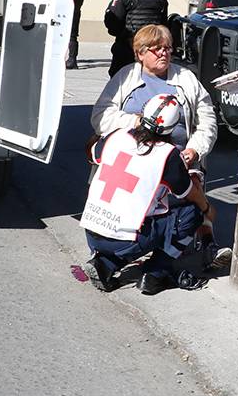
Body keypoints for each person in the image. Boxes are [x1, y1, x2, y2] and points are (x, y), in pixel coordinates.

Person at [81, 94, 218, 296]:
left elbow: (92, 151)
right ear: (172, 127)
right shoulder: (167, 155)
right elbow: (190, 194)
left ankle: (105, 264)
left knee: (143, 216)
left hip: (92, 231)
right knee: (191, 213)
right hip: (125, 238)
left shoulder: (116, 136)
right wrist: (207, 208)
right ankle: (156, 273)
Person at [92, 24, 217, 173]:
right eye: (157, 49)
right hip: (129, 162)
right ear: (140, 54)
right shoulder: (125, 77)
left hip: (174, 163)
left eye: (167, 48)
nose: (163, 53)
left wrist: (195, 150)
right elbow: (100, 117)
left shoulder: (186, 78)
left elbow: (207, 121)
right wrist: (136, 121)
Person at [104, 0, 168, 77]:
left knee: (119, 82)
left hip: (128, 50)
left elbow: (112, 22)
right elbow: (164, 23)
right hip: (152, 51)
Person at [66, 0, 87, 69]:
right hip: (77, 10)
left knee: (71, 36)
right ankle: (72, 59)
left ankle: (72, 59)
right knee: (73, 35)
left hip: (71, 11)